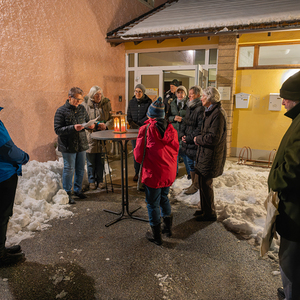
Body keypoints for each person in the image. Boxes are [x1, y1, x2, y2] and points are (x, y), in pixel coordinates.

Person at [267, 71, 300, 300]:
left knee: (290, 259)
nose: (283, 102)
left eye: (286, 97)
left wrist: (273, 180)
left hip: (295, 210)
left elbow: (293, 170)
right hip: (294, 207)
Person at [134, 98, 179, 245]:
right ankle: (167, 229)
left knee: (152, 203)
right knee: (164, 198)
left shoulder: (146, 129)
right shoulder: (172, 129)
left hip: (153, 173)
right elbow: (176, 149)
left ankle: (157, 237)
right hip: (168, 171)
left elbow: (138, 155)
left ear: (150, 115)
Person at [54, 87, 94, 204]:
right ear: (69, 97)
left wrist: (91, 125)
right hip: (68, 146)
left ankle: (77, 190)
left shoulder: (81, 109)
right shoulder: (61, 111)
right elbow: (57, 129)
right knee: (69, 168)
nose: (78, 102)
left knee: (81, 168)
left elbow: (86, 121)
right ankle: (67, 192)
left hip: (81, 143)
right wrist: (73, 128)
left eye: (80, 100)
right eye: (77, 99)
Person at [0, 107, 29, 266]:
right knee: (2, 215)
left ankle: (1, 249)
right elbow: (8, 149)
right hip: (3, 174)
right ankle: (0, 255)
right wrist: (24, 157)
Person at [194, 87, 227, 221]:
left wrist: (198, 139)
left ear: (209, 98)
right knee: (202, 182)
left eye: (203, 96)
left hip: (211, 155)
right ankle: (204, 209)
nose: (201, 98)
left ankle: (209, 214)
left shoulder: (217, 114)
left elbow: (213, 138)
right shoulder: (210, 112)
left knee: (206, 183)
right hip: (205, 153)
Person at [82, 86, 113, 190]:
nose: (99, 96)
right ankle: (91, 181)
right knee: (91, 161)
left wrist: (106, 125)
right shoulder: (85, 105)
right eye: (96, 94)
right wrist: (91, 125)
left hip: (102, 136)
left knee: (101, 160)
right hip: (90, 136)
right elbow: (82, 121)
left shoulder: (106, 104)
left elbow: (111, 119)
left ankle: (100, 180)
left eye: (100, 94)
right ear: (92, 95)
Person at [179, 86, 205, 195]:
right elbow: (185, 123)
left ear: (198, 95)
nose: (189, 96)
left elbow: (200, 127)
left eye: (192, 94)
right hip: (187, 140)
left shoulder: (201, 108)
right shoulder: (189, 106)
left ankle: (196, 185)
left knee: (195, 163)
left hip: (193, 141)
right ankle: (193, 184)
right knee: (190, 163)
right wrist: (182, 134)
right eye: (189, 94)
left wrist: (189, 138)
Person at [127, 84, 152, 181]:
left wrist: (140, 123)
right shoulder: (131, 102)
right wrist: (131, 123)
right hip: (134, 130)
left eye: (139, 91)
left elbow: (148, 115)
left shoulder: (148, 102)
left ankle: (144, 172)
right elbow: (128, 114)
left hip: (144, 129)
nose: (137, 93)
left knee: (145, 152)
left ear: (143, 92)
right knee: (136, 151)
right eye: (136, 91)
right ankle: (137, 172)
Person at [168, 85, 190, 178]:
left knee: (185, 153)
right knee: (174, 154)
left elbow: (191, 118)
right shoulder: (172, 103)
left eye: (182, 92)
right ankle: (174, 172)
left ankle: (190, 173)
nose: (180, 94)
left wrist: (183, 119)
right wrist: (174, 118)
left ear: (185, 94)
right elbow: (167, 117)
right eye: (178, 92)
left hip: (184, 132)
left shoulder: (189, 104)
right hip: (174, 132)